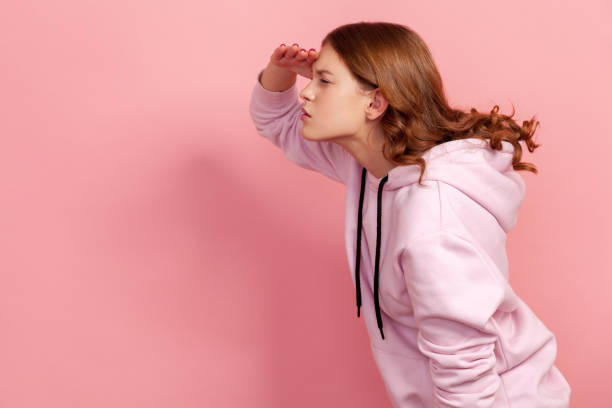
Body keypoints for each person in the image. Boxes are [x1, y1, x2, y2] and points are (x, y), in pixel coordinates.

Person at [248, 21, 571, 408]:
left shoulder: (431, 224)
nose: (307, 94)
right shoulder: (375, 168)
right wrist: (281, 68)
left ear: (374, 103)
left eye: (324, 82)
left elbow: (467, 383)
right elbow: (277, 124)